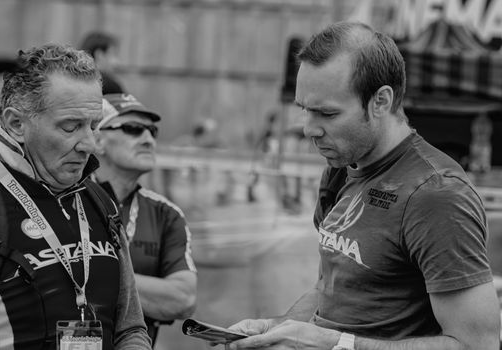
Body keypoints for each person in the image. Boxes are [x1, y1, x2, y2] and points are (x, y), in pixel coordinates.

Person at [225, 22, 500, 350]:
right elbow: (330, 288)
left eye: (326, 113)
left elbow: (477, 344)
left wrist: (336, 343)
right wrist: (277, 329)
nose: (309, 129)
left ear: (381, 101)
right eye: (303, 109)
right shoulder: (342, 167)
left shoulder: (436, 194)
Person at [0, 44, 151, 349]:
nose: (90, 144)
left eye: (93, 126)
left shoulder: (99, 202)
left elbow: (130, 328)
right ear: (17, 124)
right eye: (71, 127)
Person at [94, 93, 197, 344]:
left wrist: (91, 274)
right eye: (133, 129)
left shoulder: (166, 214)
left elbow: (183, 299)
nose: (148, 139)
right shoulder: (63, 202)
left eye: (152, 131)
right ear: (97, 140)